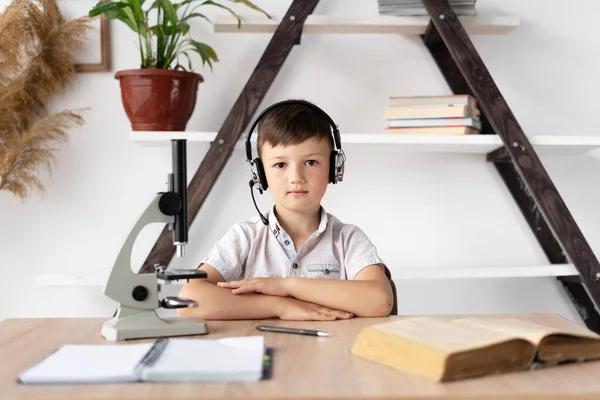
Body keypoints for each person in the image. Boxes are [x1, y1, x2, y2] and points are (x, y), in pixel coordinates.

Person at [178, 100, 393, 321]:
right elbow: (188, 300)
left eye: (310, 162)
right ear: (260, 174)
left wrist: (286, 286)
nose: (296, 177)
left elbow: (379, 301)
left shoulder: (348, 239)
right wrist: (280, 306)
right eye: (280, 165)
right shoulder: (245, 238)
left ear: (334, 169)